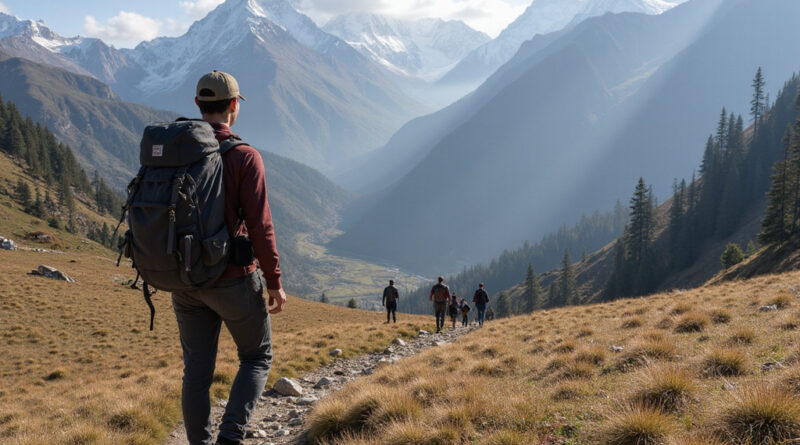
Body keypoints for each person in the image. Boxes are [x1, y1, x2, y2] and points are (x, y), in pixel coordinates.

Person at [172, 70, 287, 445]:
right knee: (256, 357)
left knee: (196, 373)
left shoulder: (175, 150)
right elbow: (260, 226)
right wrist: (274, 281)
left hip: (185, 279)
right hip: (233, 278)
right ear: (234, 105)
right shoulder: (244, 156)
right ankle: (230, 437)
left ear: (196, 105)